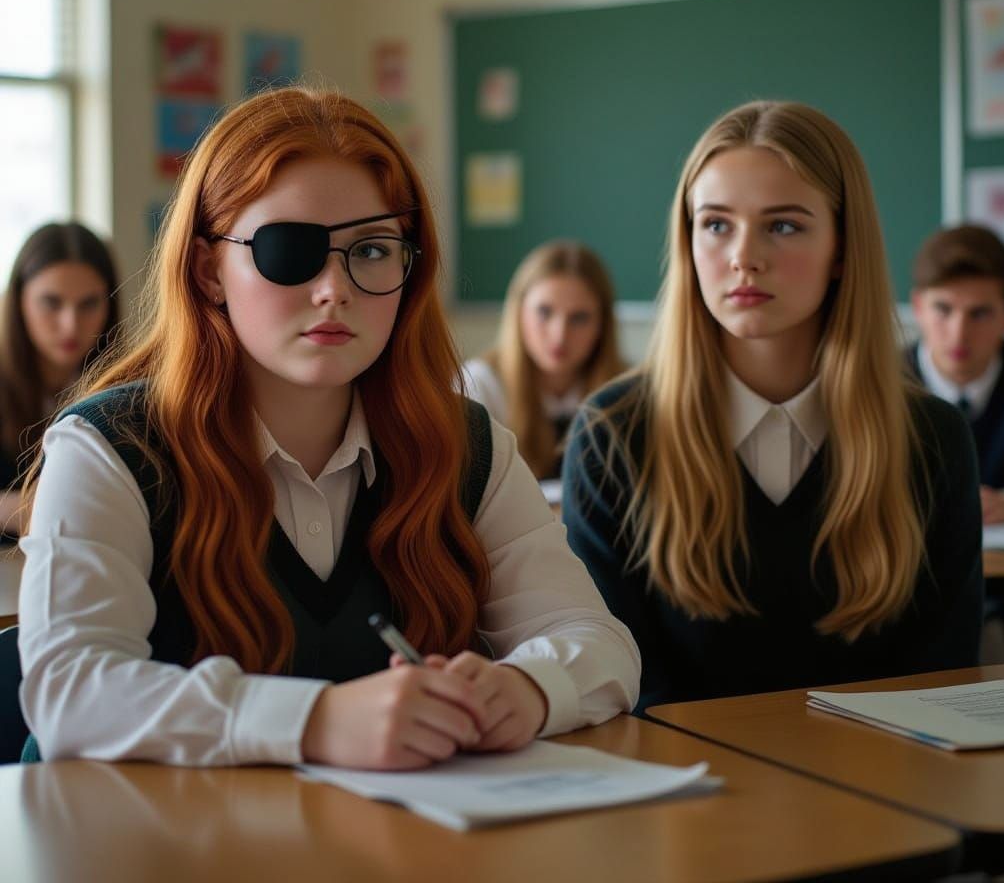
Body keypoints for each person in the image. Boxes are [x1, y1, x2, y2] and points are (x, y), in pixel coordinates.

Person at [17, 88, 639, 767]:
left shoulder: (467, 446)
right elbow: (69, 692)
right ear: (208, 270)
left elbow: (598, 642)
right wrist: (315, 721)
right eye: (291, 250)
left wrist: (525, 689)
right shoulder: (109, 448)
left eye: (371, 250)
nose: (334, 289)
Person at [563, 100, 983, 713]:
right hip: (687, 795)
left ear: (843, 248)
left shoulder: (932, 438)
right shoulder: (614, 432)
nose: (743, 256)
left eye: (783, 225)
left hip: (883, 794)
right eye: (715, 224)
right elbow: (622, 685)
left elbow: (942, 683)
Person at [462, 241, 626, 487]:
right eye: (544, 312)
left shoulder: (626, 390)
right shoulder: (478, 386)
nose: (559, 334)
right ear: (518, 313)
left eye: (579, 318)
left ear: (603, 325)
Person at [0, 223, 119, 543]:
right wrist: (17, 507)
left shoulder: (126, 389)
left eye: (89, 304)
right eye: (51, 303)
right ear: (18, 300)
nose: (70, 325)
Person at [909, 225, 1004, 524]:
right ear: (919, 307)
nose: (959, 334)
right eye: (943, 309)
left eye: (980, 313)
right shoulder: (874, 379)